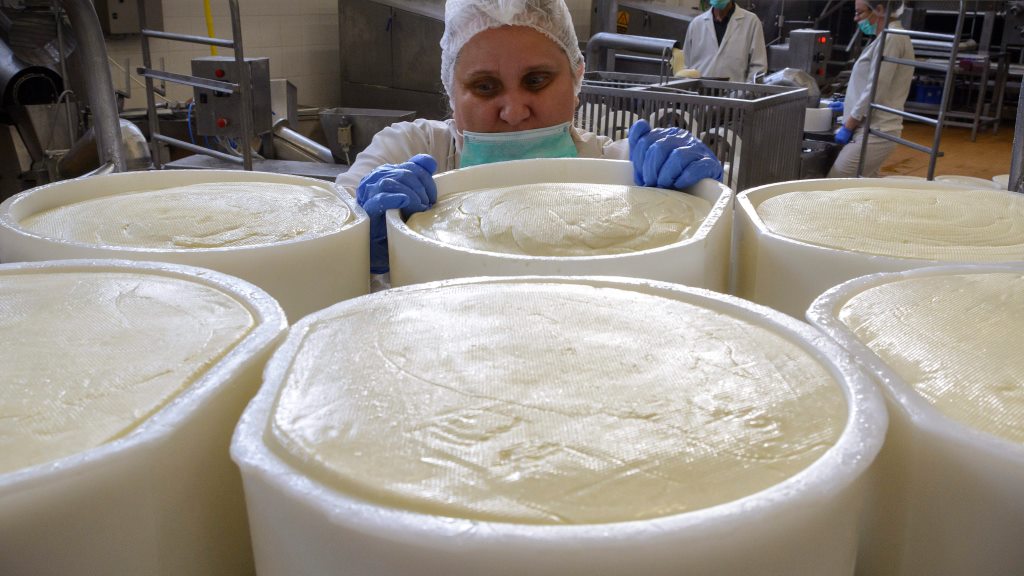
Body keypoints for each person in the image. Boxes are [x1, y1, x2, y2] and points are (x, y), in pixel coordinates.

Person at [337, 0, 723, 275]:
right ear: (451, 93)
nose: (514, 111)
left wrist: (698, 198)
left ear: (576, 80)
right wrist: (355, 241)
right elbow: (328, 228)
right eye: (485, 86)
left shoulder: (622, 170)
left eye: (536, 81)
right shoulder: (408, 150)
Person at [827, 0, 914, 178]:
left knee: (837, 181)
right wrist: (849, 104)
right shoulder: (885, 37)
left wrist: (849, 125)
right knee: (863, 186)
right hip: (870, 127)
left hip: (877, 130)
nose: (855, 18)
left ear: (879, 10)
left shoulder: (892, 38)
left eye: (860, 13)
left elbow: (876, 89)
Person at [681, 0, 767, 83]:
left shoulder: (751, 22)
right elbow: (685, 66)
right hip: (698, 91)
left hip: (734, 92)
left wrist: (746, 91)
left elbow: (758, 68)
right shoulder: (696, 24)